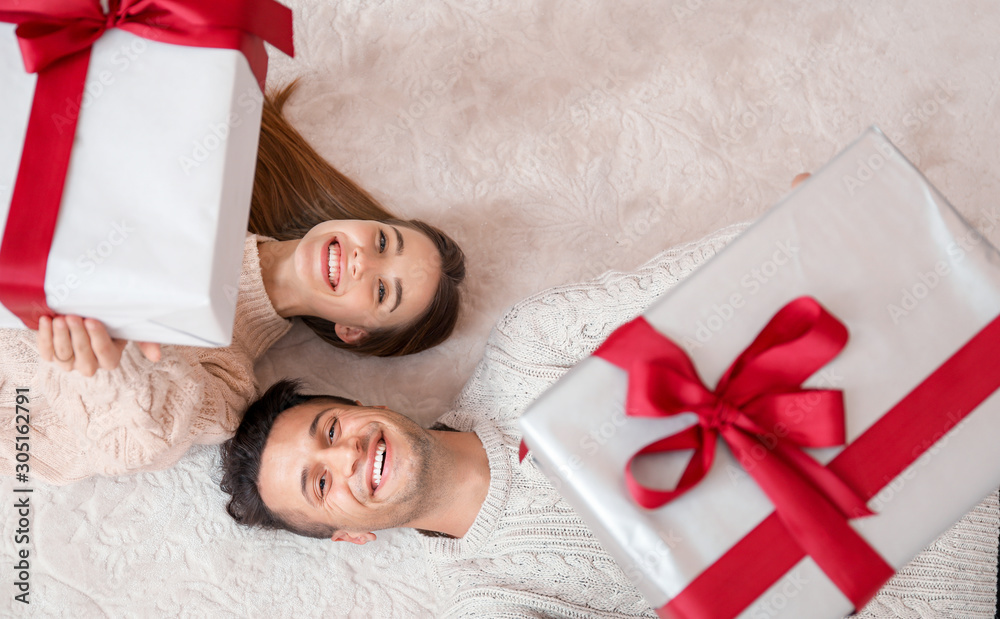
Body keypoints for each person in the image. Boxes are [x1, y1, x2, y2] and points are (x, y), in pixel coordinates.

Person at [220, 224, 747, 617]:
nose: (347, 454)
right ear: (348, 537)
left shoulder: (531, 347)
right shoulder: (487, 603)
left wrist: (802, 224)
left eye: (330, 429)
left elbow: (714, 279)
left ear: (365, 407)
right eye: (320, 483)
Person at [0, 81, 466, 485]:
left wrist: (113, 363)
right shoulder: (202, 181)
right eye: (384, 241)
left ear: (353, 331)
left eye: (383, 291)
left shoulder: (228, 383)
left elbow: (143, 436)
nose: (365, 260)